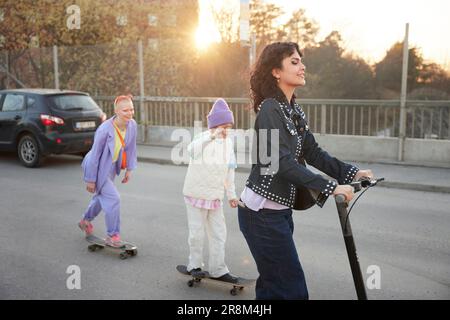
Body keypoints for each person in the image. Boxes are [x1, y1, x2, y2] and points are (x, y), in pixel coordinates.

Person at [238, 42, 374, 299]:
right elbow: (277, 163)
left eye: (301, 61)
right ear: (276, 72)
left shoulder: (293, 111)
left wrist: (351, 173)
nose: (302, 66)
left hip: (278, 213)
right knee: (292, 290)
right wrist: (330, 186)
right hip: (261, 215)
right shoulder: (269, 109)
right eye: (294, 62)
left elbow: (312, 152)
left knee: (273, 285)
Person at [182, 98, 240, 282]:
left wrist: (231, 194)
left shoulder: (229, 144)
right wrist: (211, 135)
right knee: (196, 233)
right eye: (222, 126)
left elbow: (229, 171)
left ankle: (218, 269)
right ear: (214, 125)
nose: (225, 130)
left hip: (215, 197)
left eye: (228, 127)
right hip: (195, 194)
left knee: (218, 233)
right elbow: (190, 151)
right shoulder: (202, 138)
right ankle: (195, 265)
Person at [78, 95, 137, 247]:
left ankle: (85, 221)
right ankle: (112, 235)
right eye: (125, 110)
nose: (130, 113)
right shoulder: (104, 129)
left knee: (100, 197)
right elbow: (95, 155)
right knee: (113, 198)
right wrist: (91, 179)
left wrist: (129, 169)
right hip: (96, 167)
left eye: (131, 109)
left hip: (110, 167)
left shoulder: (132, 125)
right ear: (116, 111)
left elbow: (131, 148)